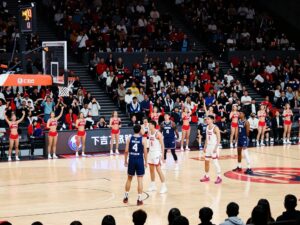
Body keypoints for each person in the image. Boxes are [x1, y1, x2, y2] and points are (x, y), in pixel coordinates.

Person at [123, 125, 147, 206]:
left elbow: (126, 151)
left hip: (132, 160)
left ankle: (126, 197)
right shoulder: (143, 139)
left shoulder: (129, 138)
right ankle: (139, 199)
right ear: (140, 130)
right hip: (139, 160)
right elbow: (145, 152)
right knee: (140, 180)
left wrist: (125, 161)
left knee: (129, 178)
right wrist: (146, 162)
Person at [200, 115, 222, 184]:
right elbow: (207, 138)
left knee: (215, 162)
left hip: (214, 147)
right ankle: (207, 176)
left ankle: (219, 177)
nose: (207, 120)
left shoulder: (215, 128)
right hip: (209, 146)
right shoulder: (207, 127)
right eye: (206, 119)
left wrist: (216, 148)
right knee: (206, 162)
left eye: (208, 119)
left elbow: (219, 139)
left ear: (212, 120)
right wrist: (204, 147)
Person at [147, 120, 167, 194]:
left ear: (153, 125)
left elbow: (162, 145)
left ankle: (164, 186)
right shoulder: (149, 133)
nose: (149, 126)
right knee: (151, 170)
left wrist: (163, 155)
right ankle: (153, 185)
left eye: (150, 125)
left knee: (158, 170)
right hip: (151, 153)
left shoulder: (158, 133)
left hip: (157, 153)